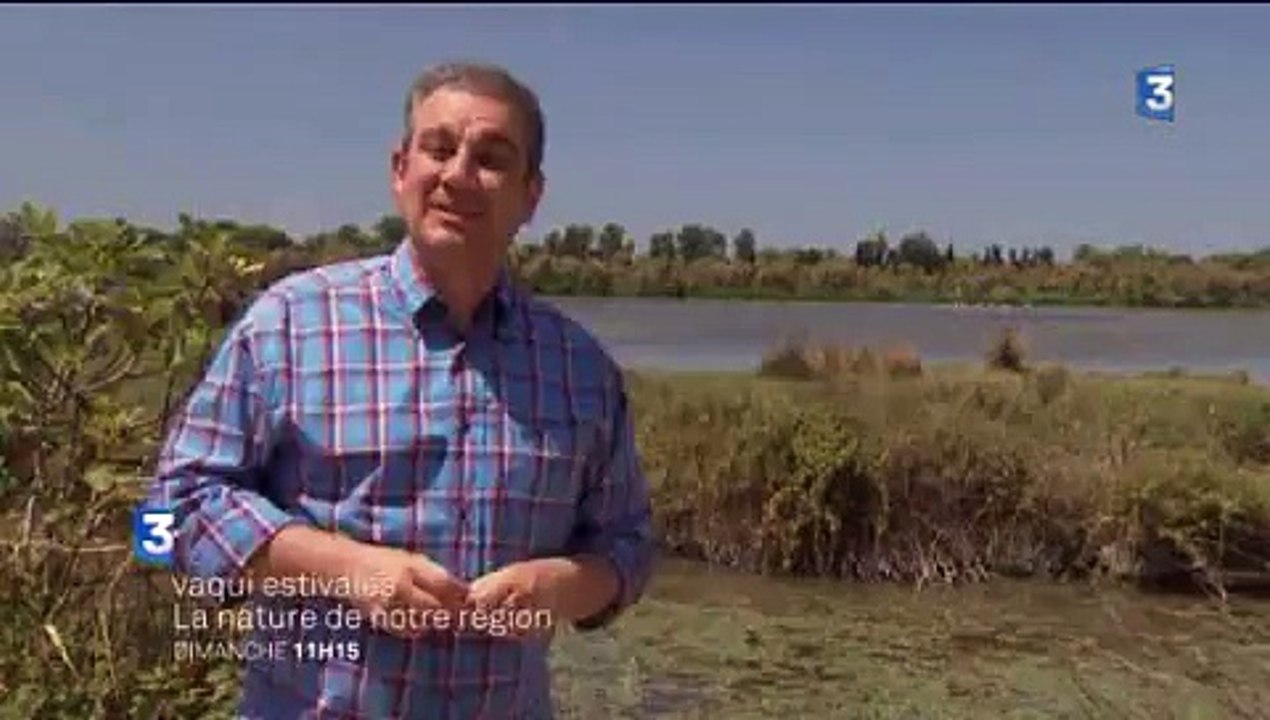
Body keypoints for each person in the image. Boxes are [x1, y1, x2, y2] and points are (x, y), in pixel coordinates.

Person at [146, 60, 655, 719]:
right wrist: (343, 568)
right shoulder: (290, 324)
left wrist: (567, 586)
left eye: (492, 157)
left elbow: (630, 545)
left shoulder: (580, 368)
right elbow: (163, 521)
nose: (458, 174)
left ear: (531, 195)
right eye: (438, 148)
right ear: (400, 168)